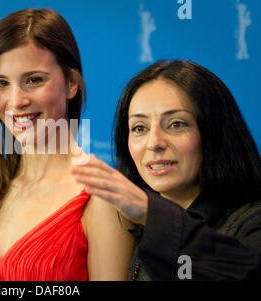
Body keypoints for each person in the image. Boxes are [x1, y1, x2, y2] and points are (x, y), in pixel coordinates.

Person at [0, 8, 135, 281]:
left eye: (34, 80)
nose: (16, 100)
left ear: (71, 83)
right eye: (1, 83)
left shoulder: (102, 196)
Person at [72, 59, 261, 280]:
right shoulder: (130, 229)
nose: (154, 143)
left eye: (176, 124)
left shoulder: (251, 221)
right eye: (139, 128)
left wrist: (152, 213)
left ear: (214, 132)